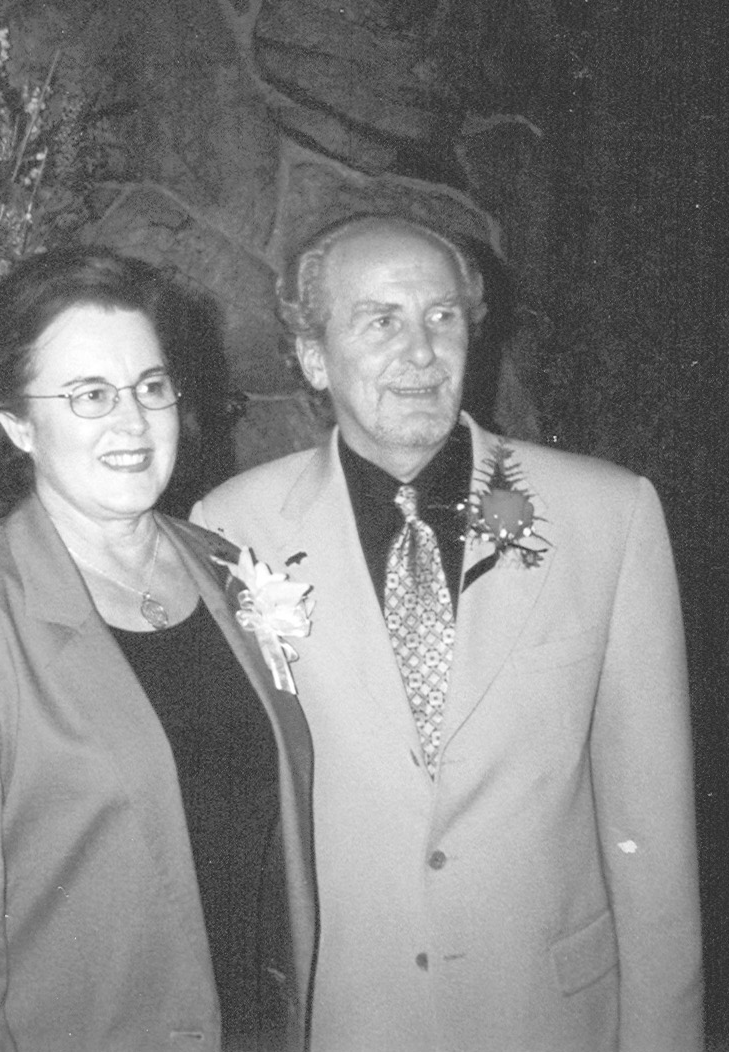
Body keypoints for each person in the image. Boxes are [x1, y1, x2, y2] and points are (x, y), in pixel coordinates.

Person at [193, 213, 702, 1052]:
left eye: (442, 318)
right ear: (315, 357)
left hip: (551, 1016)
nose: (422, 352)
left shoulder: (608, 515)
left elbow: (654, 830)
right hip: (346, 1020)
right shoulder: (233, 528)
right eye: (381, 320)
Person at [0, 246, 316, 1052]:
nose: (133, 421)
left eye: (151, 386)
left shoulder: (224, 567)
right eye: (88, 394)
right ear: (16, 422)